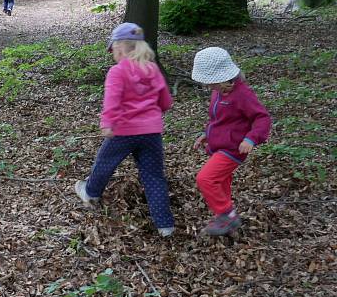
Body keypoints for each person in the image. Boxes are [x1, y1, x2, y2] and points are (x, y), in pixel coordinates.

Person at [74, 23, 175, 237]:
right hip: (151, 133)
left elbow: (112, 101)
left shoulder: (117, 72)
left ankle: (90, 192)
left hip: (123, 131)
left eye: (113, 51)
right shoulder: (153, 69)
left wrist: (107, 123)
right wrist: (154, 114)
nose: (113, 55)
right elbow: (165, 101)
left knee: (104, 163)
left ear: (120, 48)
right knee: (154, 176)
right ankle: (165, 224)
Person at [191, 47, 271, 236]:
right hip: (218, 146)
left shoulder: (242, 94)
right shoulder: (219, 92)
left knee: (205, 178)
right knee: (220, 181)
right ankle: (226, 218)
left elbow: (262, 118)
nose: (209, 87)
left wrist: (251, 139)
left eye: (212, 82)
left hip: (233, 149)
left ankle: (227, 215)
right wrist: (206, 135)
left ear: (224, 76)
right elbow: (219, 120)